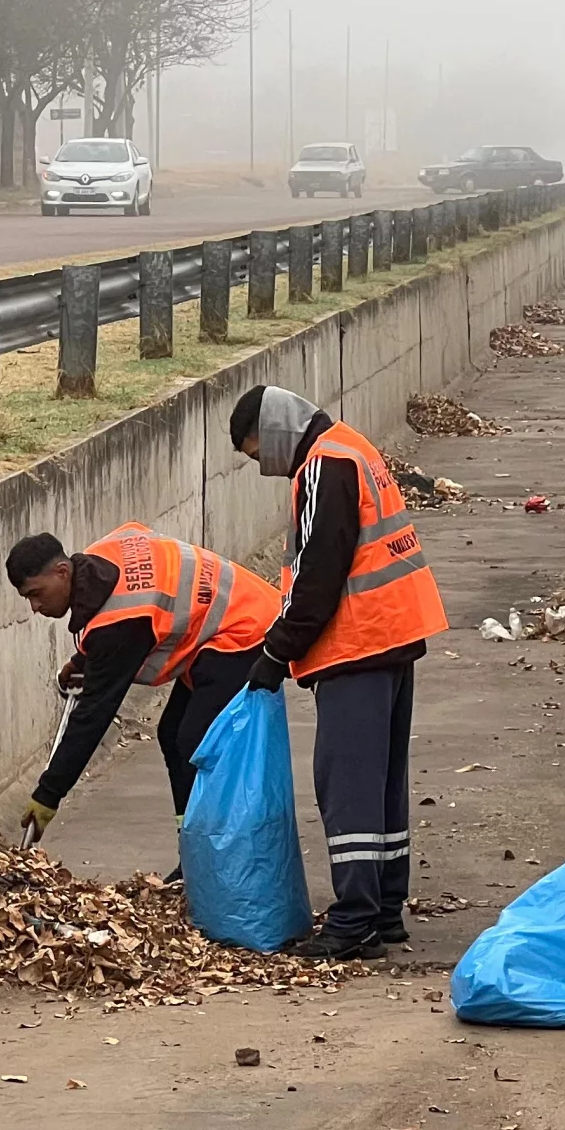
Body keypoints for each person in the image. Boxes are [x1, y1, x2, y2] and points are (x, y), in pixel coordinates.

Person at [228, 383, 448, 959]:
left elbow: (319, 572)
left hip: (359, 641)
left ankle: (354, 922)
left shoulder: (324, 464)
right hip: (394, 634)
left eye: (255, 453)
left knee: (346, 786)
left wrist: (276, 654)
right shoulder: (350, 446)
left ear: (273, 434)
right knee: (381, 783)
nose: (260, 467)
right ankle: (383, 909)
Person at [6, 522, 280, 848]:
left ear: (63, 571)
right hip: (229, 618)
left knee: (194, 741)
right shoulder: (97, 559)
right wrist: (83, 662)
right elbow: (116, 604)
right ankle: (192, 849)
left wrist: (48, 795)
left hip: (247, 630)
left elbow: (93, 716)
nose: (34, 608)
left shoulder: (120, 623)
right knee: (173, 732)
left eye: (36, 594)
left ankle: (213, 854)